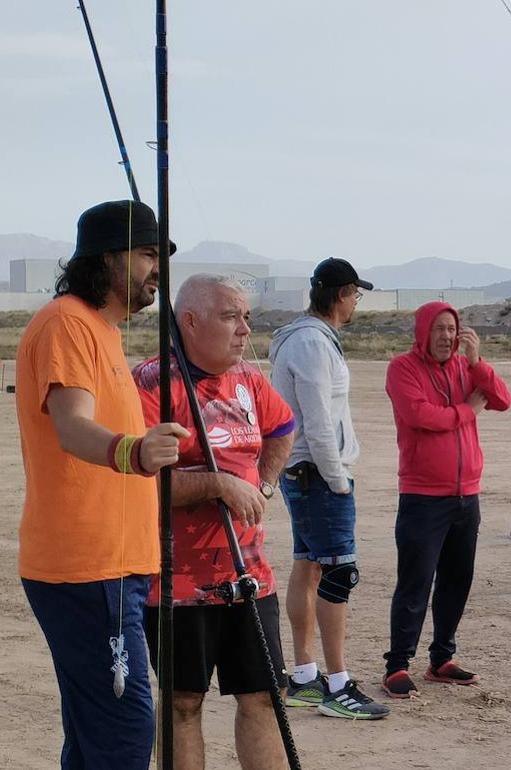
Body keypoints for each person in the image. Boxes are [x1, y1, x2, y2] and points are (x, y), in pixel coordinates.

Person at [16, 200, 188, 768]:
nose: (156, 269)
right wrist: (133, 452)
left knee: (96, 738)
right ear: (106, 258)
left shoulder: (101, 329)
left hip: (112, 570)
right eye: (146, 255)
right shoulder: (67, 322)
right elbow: (72, 427)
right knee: (125, 733)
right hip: (90, 571)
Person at [133, 274, 294, 768]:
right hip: (176, 583)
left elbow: (283, 428)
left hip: (249, 574)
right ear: (190, 321)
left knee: (264, 696)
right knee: (183, 705)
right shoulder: (153, 384)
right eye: (231, 316)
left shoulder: (248, 378)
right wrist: (220, 484)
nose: (244, 328)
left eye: (246, 316)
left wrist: (263, 485)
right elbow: (141, 482)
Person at [269, 257, 389, 719]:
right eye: (356, 295)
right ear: (342, 294)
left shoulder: (302, 338)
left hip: (305, 471)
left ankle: (304, 676)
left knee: (309, 566)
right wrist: (338, 480)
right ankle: (338, 686)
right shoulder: (312, 345)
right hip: (318, 473)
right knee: (340, 574)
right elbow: (317, 421)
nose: (357, 303)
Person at [381, 302, 511, 697]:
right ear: (423, 331)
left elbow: (503, 399)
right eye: (438, 329)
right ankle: (398, 664)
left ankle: (441, 659)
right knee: (415, 583)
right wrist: (468, 410)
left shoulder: (464, 366)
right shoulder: (402, 368)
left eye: (452, 329)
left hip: (466, 495)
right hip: (423, 496)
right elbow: (422, 416)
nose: (446, 337)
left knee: (457, 580)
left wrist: (479, 363)